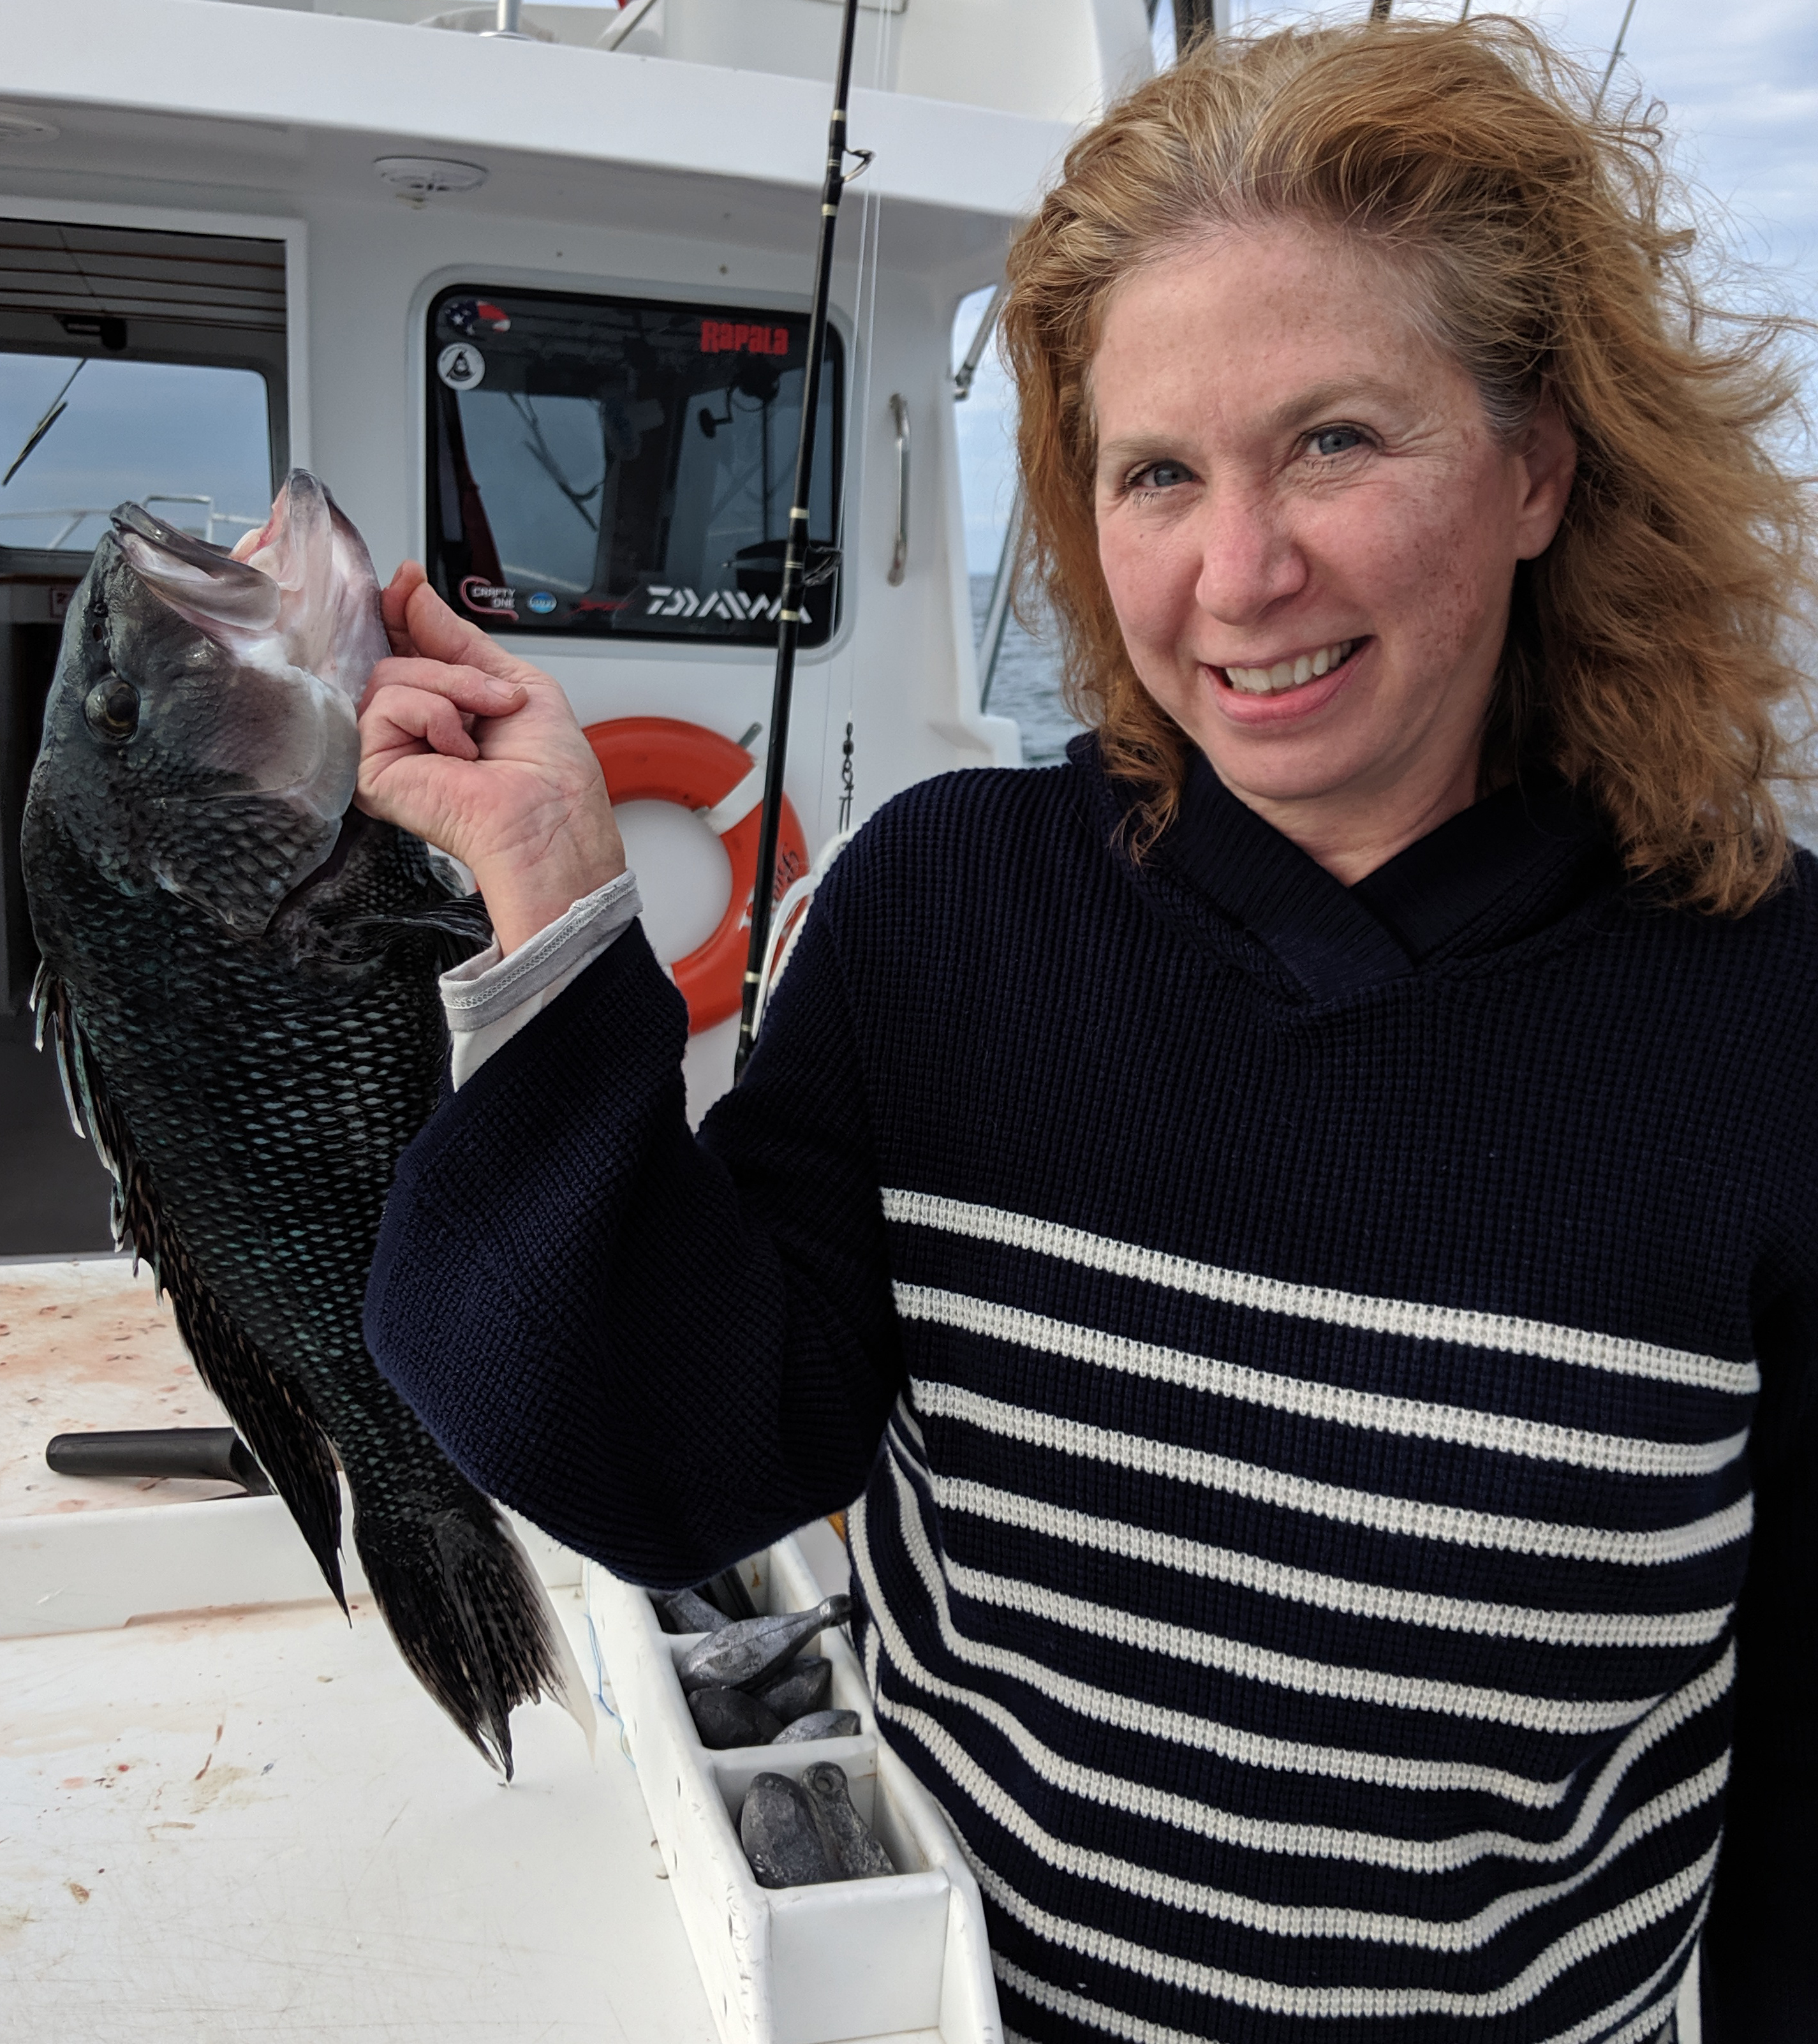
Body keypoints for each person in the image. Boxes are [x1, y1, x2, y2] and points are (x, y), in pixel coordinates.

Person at [356, 19, 1817, 2043]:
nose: (1239, 571)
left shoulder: (1769, 1010)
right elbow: (667, 1459)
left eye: (1333, 439)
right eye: (1156, 472)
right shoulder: (945, 907)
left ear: (1537, 469)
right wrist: (551, 904)